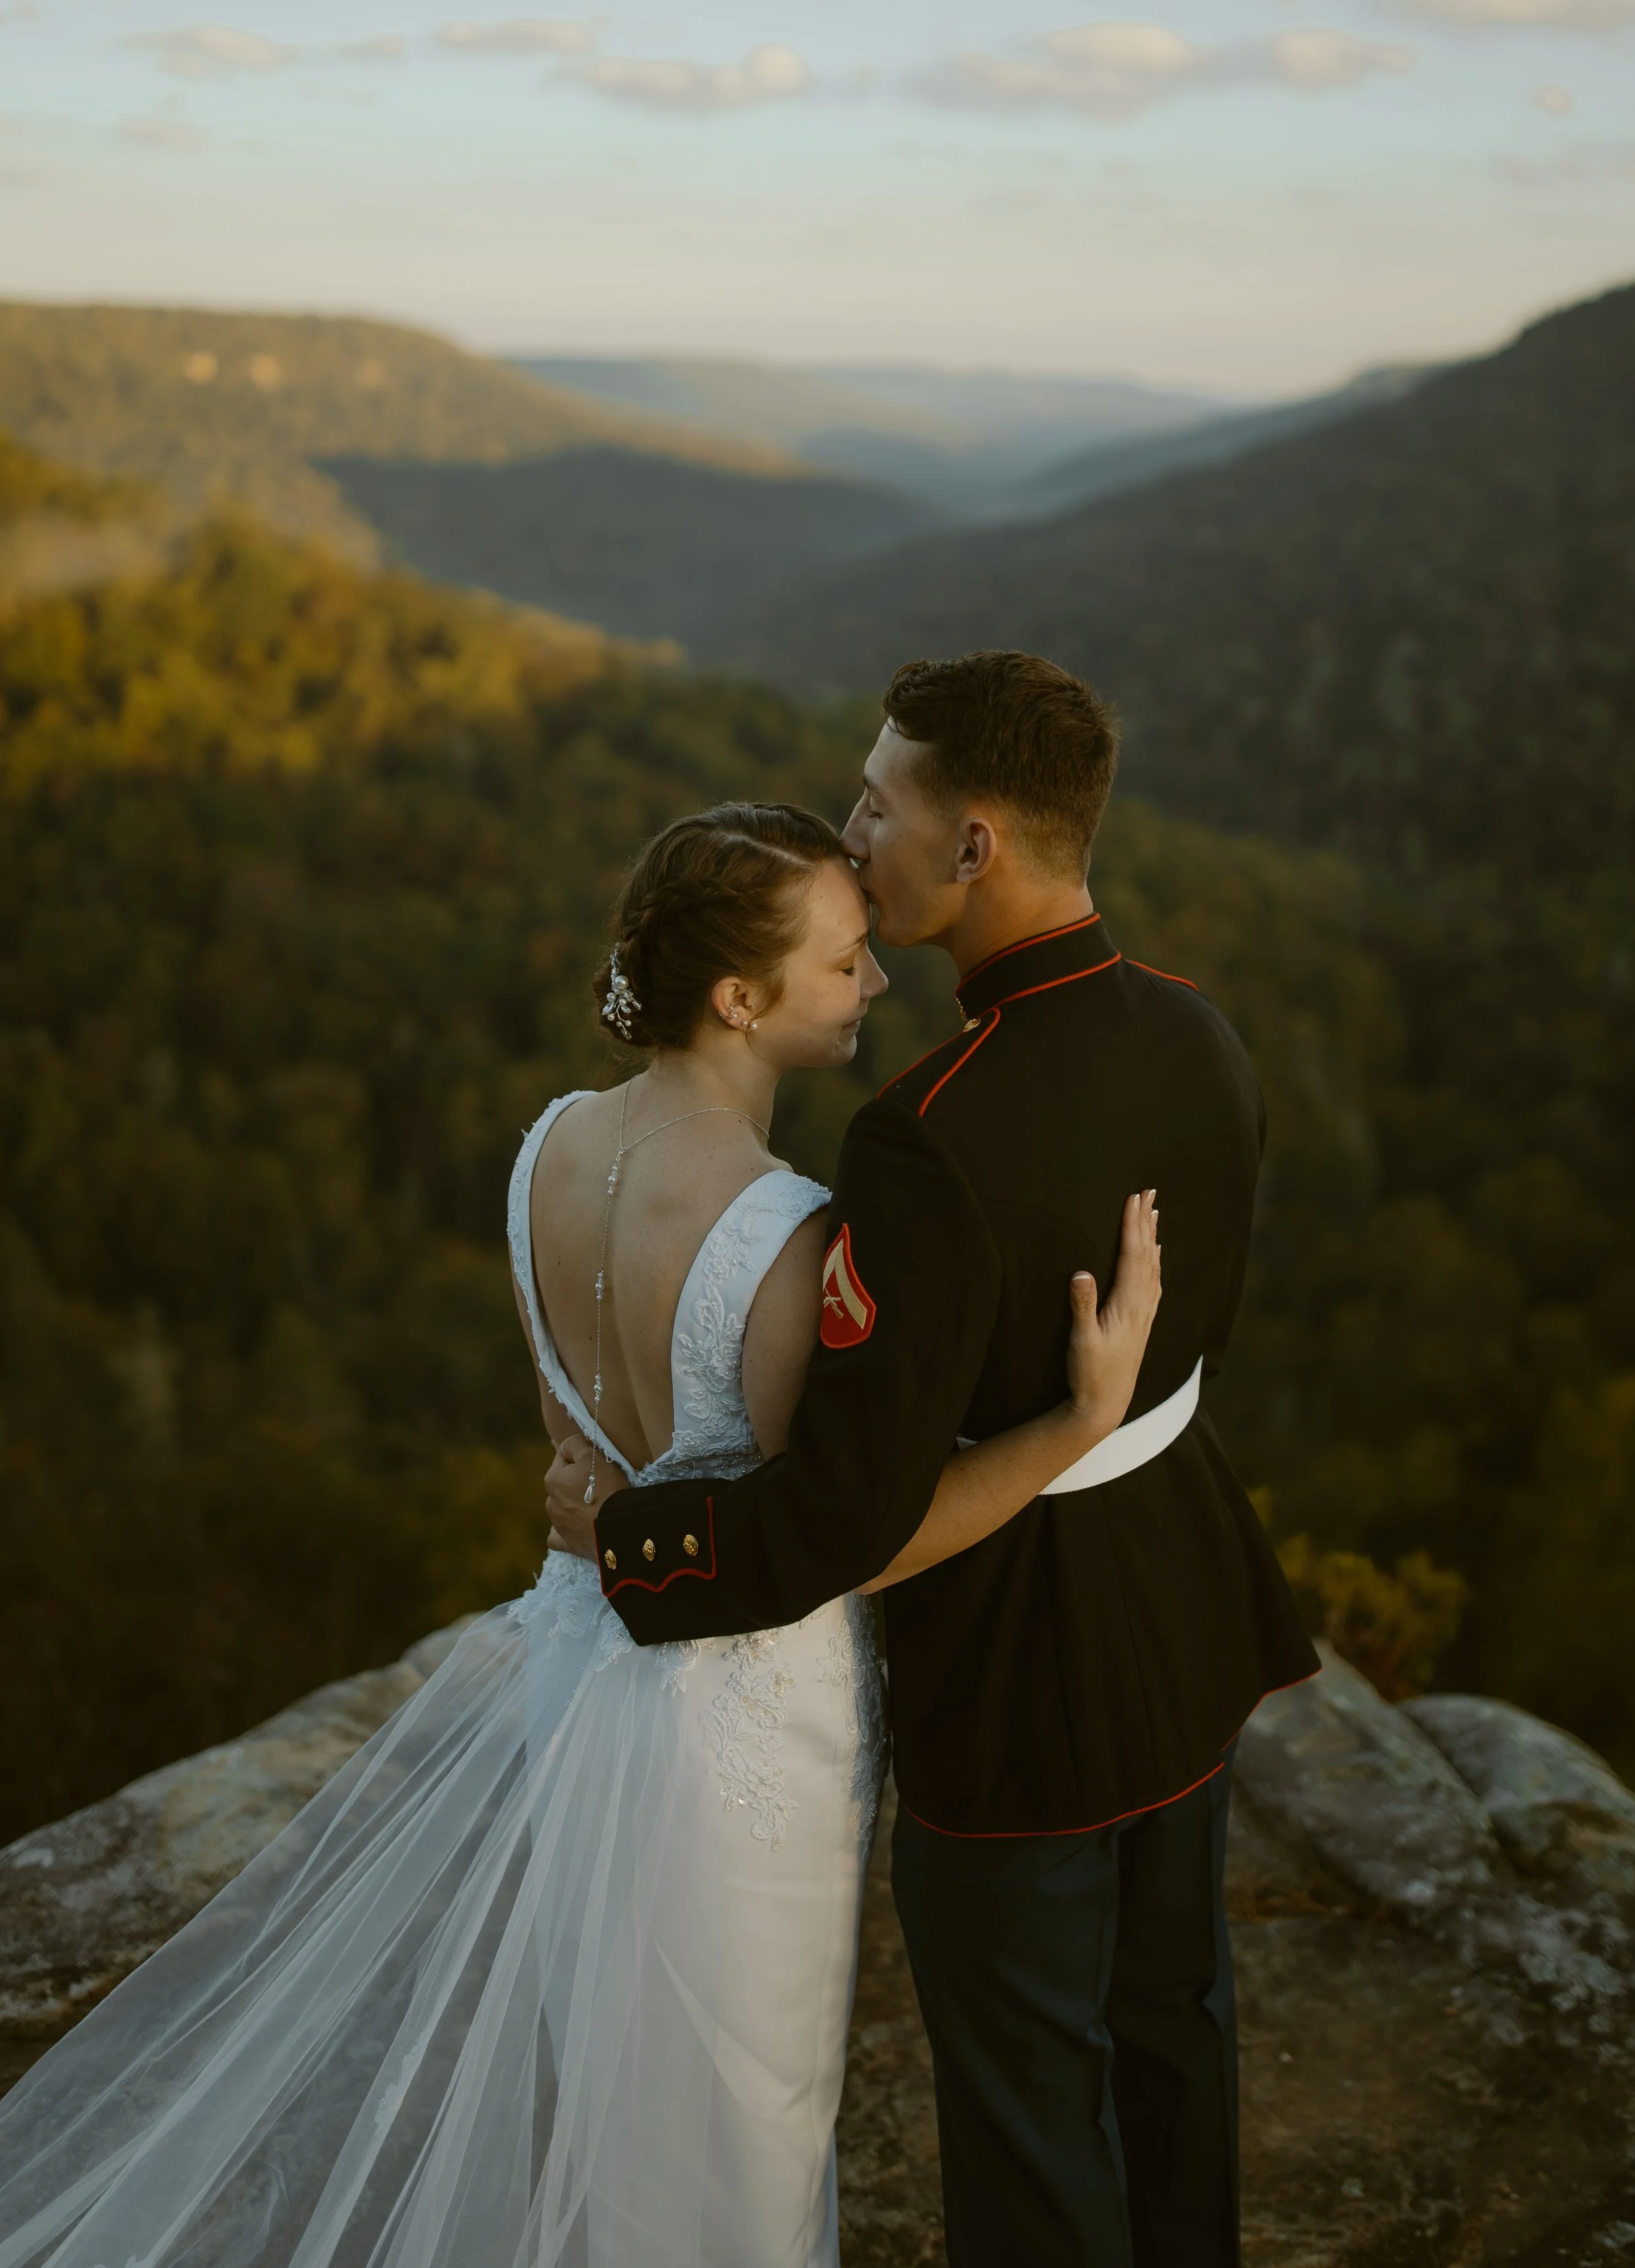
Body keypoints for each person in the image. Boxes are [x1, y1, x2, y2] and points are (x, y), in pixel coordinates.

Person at [0, 800, 1158, 2268]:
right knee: (741, 2120)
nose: (874, 984)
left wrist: (614, 1517)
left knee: (614, 2087)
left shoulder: (547, 1146)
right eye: (844, 961)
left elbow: (586, 1447)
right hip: (736, 1716)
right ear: (739, 998)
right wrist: (1072, 1425)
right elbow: (844, 1537)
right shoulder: (788, 1235)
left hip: (572, 1665)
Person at [553, 655, 1320, 2268]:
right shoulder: (1202, 1034)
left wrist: (640, 1543)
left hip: (1023, 1661)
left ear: (972, 847)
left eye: (876, 805)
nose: (853, 832)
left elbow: (846, 1514)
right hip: (1185, 1602)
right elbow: (1202, 1329)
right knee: (1173, 2032)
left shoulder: (927, 1140)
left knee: (1032, 2103)